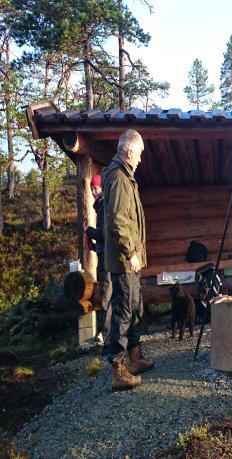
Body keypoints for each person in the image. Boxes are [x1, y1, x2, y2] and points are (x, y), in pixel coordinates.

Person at [102, 129, 154, 391]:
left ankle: (133, 358)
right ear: (129, 151)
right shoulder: (120, 179)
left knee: (134, 307)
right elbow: (119, 222)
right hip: (124, 261)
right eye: (140, 154)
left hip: (129, 260)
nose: (141, 160)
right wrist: (131, 253)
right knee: (123, 311)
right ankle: (119, 369)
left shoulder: (124, 177)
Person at [85, 174, 112, 350]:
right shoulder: (101, 205)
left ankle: (108, 338)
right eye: (92, 189)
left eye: (96, 188)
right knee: (107, 296)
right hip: (104, 255)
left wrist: (89, 231)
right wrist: (94, 247)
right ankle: (108, 336)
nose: (94, 192)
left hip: (107, 260)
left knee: (106, 297)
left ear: (102, 188)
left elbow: (104, 233)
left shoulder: (103, 206)